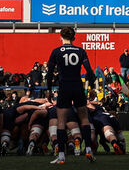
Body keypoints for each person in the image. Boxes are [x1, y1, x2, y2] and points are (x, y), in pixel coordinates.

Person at [47, 26, 97, 164]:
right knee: (84, 119)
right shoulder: (81, 51)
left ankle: (62, 155)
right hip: (77, 86)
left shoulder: (56, 52)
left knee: (61, 121)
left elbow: (50, 72)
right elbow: (89, 71)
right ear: (74, 37)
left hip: (64, 87)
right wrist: (91, 87)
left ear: (60, 37)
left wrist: (49, 89)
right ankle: (88, 149)